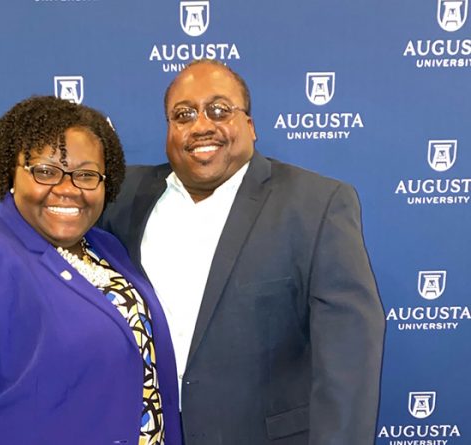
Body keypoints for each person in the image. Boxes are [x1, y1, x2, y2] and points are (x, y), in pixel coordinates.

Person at [100, 60, 385, 444]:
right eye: (183, 114)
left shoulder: (316, 204)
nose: (201, 125)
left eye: (219, 110)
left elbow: (350, 359)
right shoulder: (123, 196)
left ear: (250, 125)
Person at [0, 96, 181, 445]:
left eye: (87, 175)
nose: (66, 189)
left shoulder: (109, 249)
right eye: (45, 171)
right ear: (9, 174)